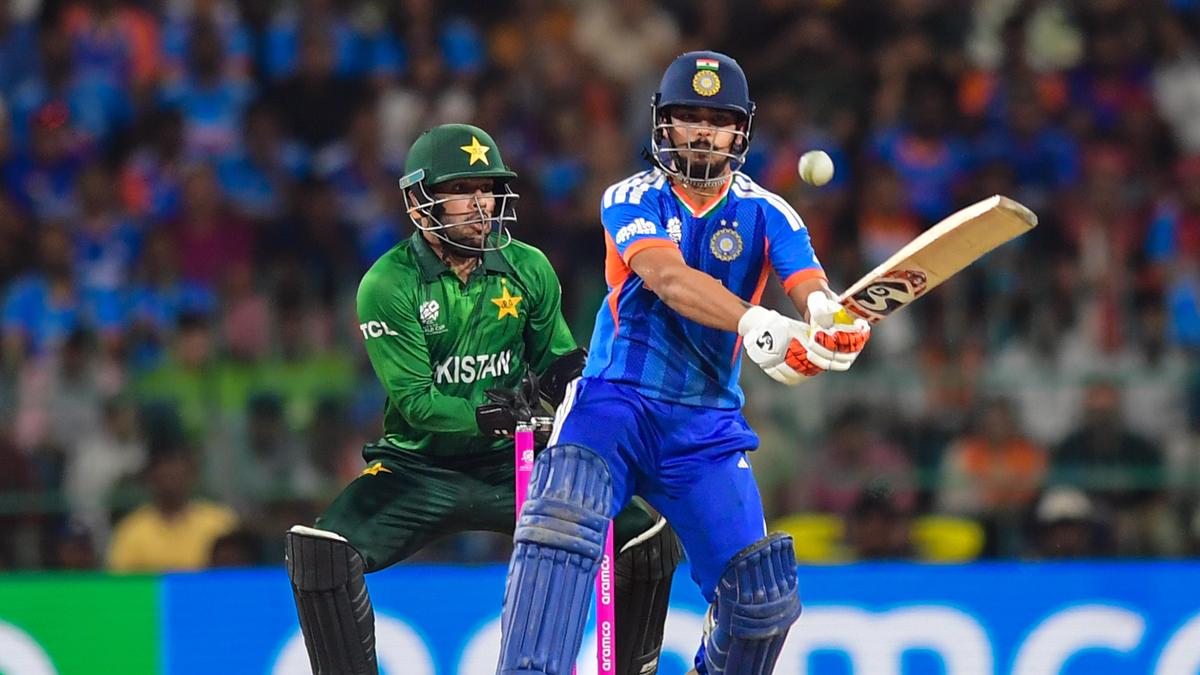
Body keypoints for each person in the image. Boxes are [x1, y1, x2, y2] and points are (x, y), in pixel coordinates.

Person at [495, 51, 872, 675]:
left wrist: (826, 323)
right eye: (689, 117)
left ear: (740, 132)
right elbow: (668, 279)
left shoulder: (770, 212)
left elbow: (810, 286)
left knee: (760, 598)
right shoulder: (631, 196)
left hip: (705, 427)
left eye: (718, 121)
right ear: (662, 123)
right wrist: (757, 322)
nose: (702, 132)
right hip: (615, 402)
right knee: (561, 523)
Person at [284, 124, 682, 675]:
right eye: (461, 190)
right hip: (418, 467)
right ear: (419, 202)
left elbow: (556, 363)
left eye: (487, 189)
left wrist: (586, 392)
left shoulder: (528, 267)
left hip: (512, 462)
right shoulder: (388, 283)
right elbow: (417, 402)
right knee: (320, 551)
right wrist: (490, 416)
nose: (481, 204)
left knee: (646, 540)